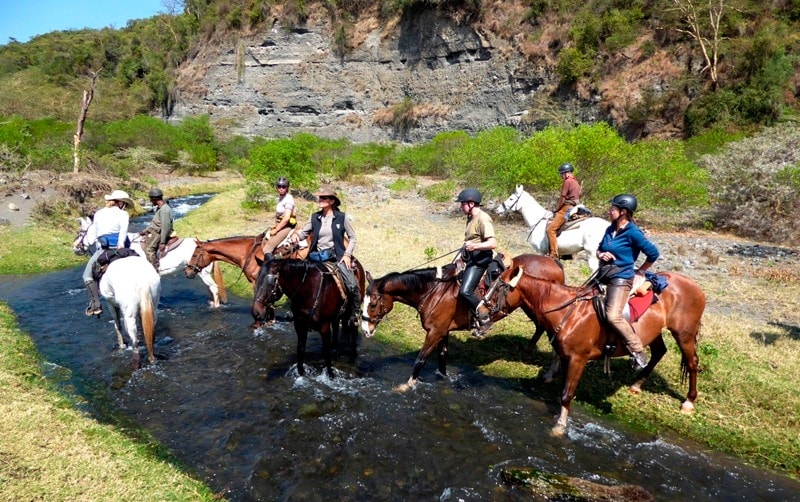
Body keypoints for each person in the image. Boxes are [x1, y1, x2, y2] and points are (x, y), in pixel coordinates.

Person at [595, 193, 660, 370]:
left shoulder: (634, 233)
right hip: (603, 274)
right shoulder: (610, 228)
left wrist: (641, 270)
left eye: (613, 209)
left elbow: (653, 253)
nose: (609, 211)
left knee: (613, 315)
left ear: (623, 212)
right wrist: (602, 254)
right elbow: (599, 249)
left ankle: (638, 351)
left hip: (621, 278)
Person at [290, 186, 360, 321]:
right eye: (320, 197)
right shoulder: (315, 217)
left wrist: (347, 254)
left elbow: (353, 237)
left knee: (352, 284)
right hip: (315, 256)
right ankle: (296, 311)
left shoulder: (341, 217)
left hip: (336, 257)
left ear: (332, 201)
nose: (320, 200)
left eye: (324, 198)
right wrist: (296, 237)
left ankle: (354, 313)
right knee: (296, 279)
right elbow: (304, 232)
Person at [82, 189, 133, 316]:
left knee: (87, 276)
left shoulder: (99, 214)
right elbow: (123, 232)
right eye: (125, 204)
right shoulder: (123, 214)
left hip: (103, 249)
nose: (125, 206)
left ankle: (95, 305)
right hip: (119, 247)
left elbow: (95, 234)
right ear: (120, 203)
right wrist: (120, 247)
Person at [455, 188, 497, 337]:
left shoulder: (483, 218)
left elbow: (492, 243)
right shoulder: (470, 217)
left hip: (480, 260)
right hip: (470, 257)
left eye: (463, 204)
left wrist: (475, 246)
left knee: (465, 291)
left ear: (471, 203)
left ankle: (484, 316)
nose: (461, 206)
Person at [546, 162, 581, 259]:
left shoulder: (567, 181)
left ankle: (553, 254)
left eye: (562, 174)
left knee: (550, 229)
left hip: (567, 208)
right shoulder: (576, 182)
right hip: (575, 206)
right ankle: (566, 254)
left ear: (566, 173)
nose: (561, 176)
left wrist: (556, 209)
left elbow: (562, 197)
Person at [261, 177, 297, 255]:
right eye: (279, 186)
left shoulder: (288, 199)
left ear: (287, 188)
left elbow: (286, 218)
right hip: (280, 224)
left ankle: (273, 265)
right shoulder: (280, 198)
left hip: (287, 226)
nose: (281, 189)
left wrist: (276, 229)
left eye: (283, 187)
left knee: (267, 249)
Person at [141, 187, 173, 269]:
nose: (151, 201)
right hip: (155, 231)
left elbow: (166, 226)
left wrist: (162, 242)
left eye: (151, 199)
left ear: (154, 199)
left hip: (159, 233)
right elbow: (154, 223)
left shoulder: (164, 210)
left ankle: (154, 269)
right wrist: (145, 231)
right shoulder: (160, 208)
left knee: (149, 249)